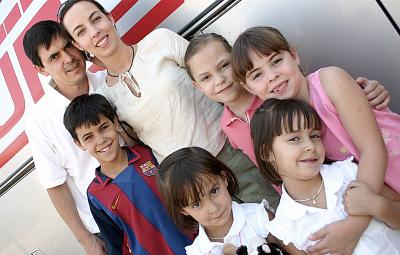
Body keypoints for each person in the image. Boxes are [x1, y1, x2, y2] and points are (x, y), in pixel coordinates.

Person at [57, 0, 280, 206]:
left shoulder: (160, 41)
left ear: (109, 17)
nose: (94, 31)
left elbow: (218, 81)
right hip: (191, 184)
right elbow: (136, 143)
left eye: (96, 19)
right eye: (82, 31)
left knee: (284, 227)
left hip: (232, 154)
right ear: (78, 44)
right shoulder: (105, 96)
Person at [231, 26, 400, 254]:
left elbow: (372, 148)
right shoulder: (286, 125)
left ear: (294, 54)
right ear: (248, 87)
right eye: (257, 75)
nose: (272, 76)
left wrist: (354, 225)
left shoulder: (329, 80)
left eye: (276, 61)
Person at [184, 32, 392, 168]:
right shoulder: (228, 127)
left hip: (371, 165)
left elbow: (322, 93)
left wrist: (368, 90)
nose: (220, 80)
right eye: (206, 77)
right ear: (198, 86)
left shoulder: (279, 96)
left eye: (224, 66)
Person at [250, 98, 400, 254]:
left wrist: (379, 206)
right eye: (294, 139)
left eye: (314, 136)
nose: (310, 146)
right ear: (267, 153)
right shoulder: (285, 227)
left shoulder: (350, 172)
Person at [63, 93, 191, 255]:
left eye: (103, 128)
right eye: (89, 137)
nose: (101, 140)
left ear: (115, 122)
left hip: (197, 246)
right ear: (79, 144)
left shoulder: (148, 154)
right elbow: (115, 246)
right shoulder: (96, 195)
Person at [23, 20, 107, 254]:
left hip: (156, 200)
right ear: (41, 69)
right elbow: (55, 185)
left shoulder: (109, 81)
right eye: (54, 57)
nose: (68, 58)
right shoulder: (39, 121)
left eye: (68, 46)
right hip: (108, 227)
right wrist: (87, 241)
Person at [157, 147, 292, 255]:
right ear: (183, 210)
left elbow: (294, 250)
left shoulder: (258, 216)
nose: (213, 208)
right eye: (196, 204)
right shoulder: (198, 251)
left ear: (224, 178)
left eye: (214, 191)